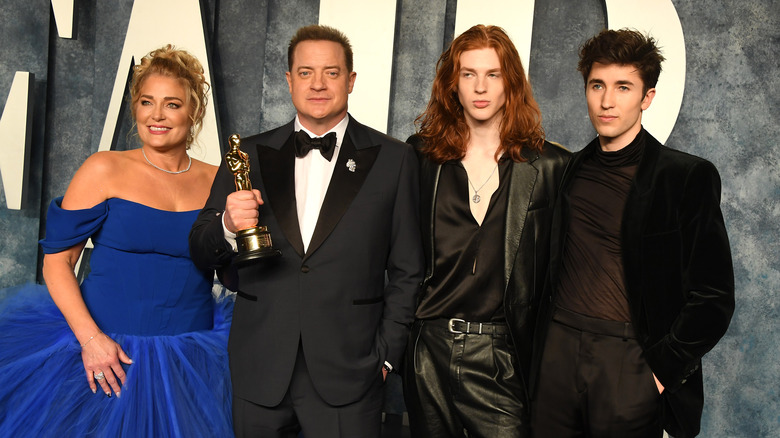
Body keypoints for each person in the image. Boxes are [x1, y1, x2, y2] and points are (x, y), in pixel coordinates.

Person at [189, 25, 423, 437]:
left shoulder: (396, 159)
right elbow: (200, 250)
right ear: (288, 80)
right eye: (305, 72)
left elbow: (408, 270)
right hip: (259, 367)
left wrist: (386, 357)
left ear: (350, 80)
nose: (318, 84)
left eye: (331, 73)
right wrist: (227, 225)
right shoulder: (246, 156)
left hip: (351, 373)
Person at [0, 45, 233, 437]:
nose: (156, 115)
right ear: (135, 108)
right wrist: (91, 341)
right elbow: (56, 263)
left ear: (193, 112)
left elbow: (233, 265)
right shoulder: (104, 168)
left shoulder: (219, 180)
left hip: (193, 356)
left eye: (172, 104)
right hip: (104, 350)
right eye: (146, 102)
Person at [530, 29, 735, 438]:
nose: (607, 101)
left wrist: (660, 372)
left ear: (647, 97)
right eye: (597, 85)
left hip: (628, 359)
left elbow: (714, 296)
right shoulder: (567, 170)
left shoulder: (684, 177)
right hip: (557, 353)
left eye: (623, 87)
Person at [403, 25, 570, 438]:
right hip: (429, 347)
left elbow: (559, 273)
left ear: (510, 83)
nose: (480, 87)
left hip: (502, 352)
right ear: (452, 84)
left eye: (493, 74)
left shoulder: (549, 166)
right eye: (468, 74)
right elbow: (396, 254)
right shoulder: (422, 157)